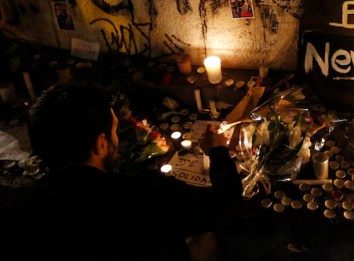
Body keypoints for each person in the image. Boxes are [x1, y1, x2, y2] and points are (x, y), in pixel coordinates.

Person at [0, 82, 242, 260]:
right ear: (100, 143)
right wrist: (218, 152)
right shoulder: (142, 194)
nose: (117, 138)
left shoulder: (19, 208)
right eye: (115, 130)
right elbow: (226, 203)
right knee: (207, 235)